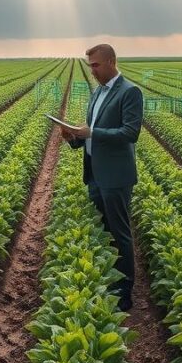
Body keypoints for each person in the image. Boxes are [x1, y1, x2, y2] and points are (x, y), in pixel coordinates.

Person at [61, 44, 142, 312]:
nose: (92, 70)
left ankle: (125, 289)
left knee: (120, 232)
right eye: (89, 65)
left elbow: (130, 133)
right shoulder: (97, 93)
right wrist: (74, 137)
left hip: (116, 176)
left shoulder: (129, 91)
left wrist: (92, 133)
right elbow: (91, 132)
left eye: (95, 65)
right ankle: (109, 278)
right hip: (95, 172)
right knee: (104, 230)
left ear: (111, 61)